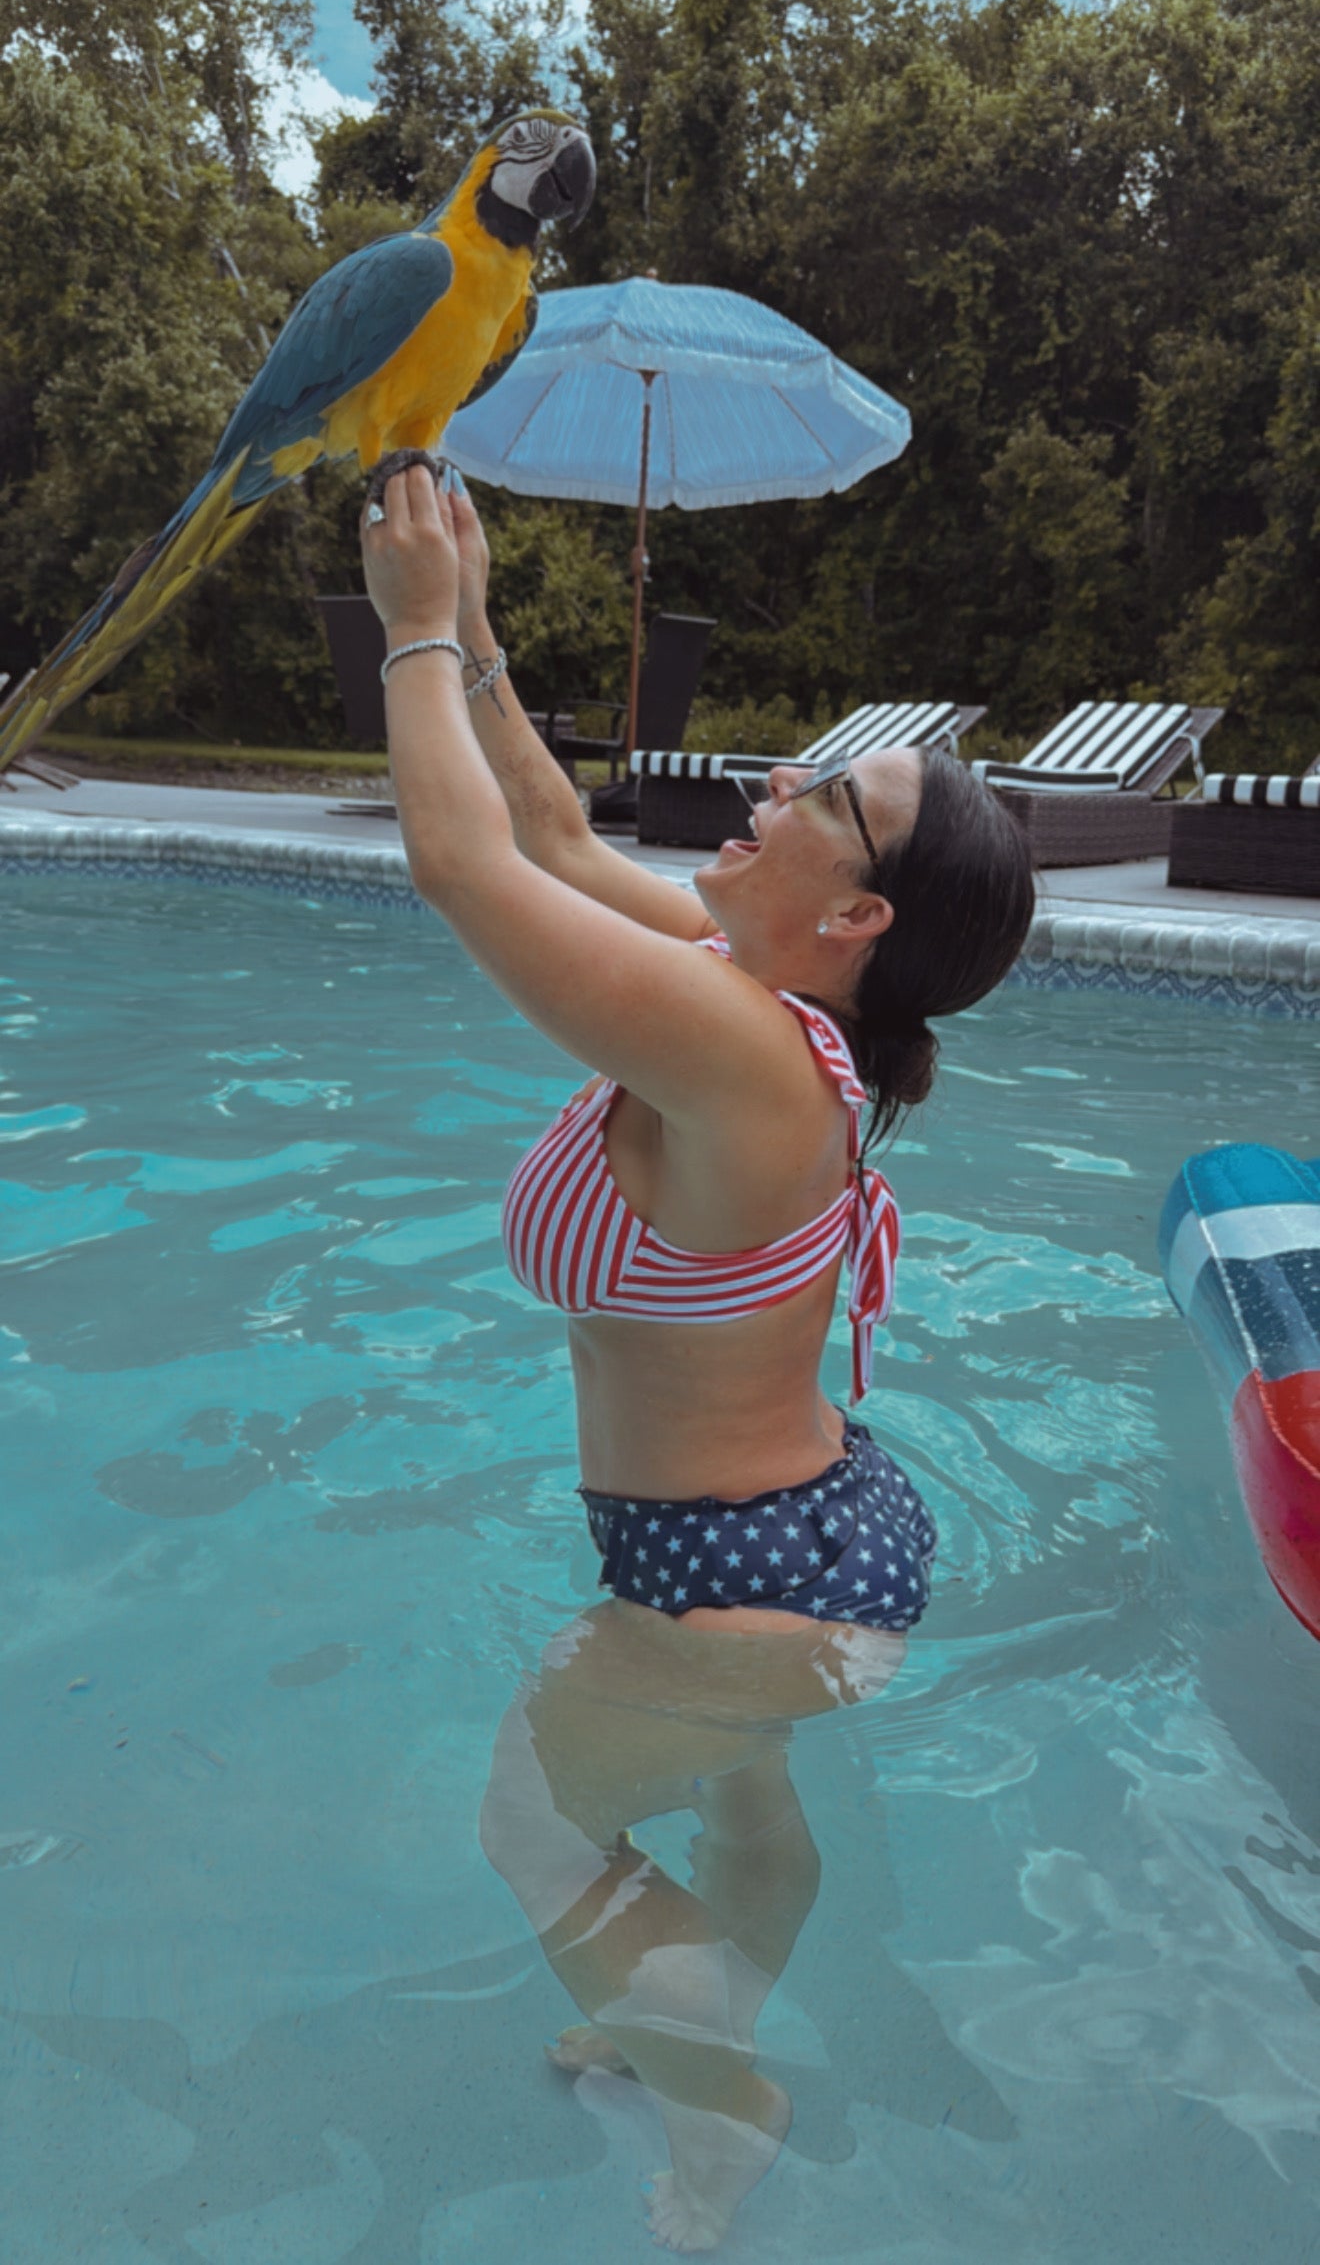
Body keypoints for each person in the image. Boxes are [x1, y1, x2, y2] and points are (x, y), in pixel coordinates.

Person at [360, 457, 1035, 2251]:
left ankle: (723, 2092)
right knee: (746, 1799)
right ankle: (683, 1987)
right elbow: (562, 845)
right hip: (800, 1525)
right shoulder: (759, 994)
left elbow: (458, 862)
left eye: (825, 794)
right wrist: (484, 640)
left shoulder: (744, 1054)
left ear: (863, 917)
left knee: (528, 1824)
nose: (771, 783)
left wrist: (412, 629)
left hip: (758, 1577)